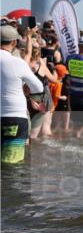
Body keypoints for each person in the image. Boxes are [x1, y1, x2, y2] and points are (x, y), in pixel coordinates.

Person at [1, 24, 45, 164]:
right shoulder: (17, 63)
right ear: (14, 43)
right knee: (11, 164)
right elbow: (38, 87)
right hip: (14, 117)